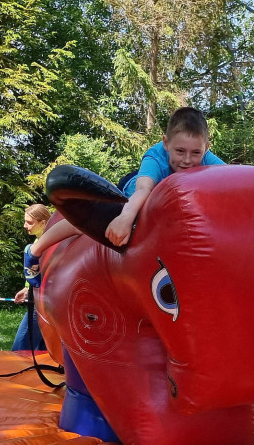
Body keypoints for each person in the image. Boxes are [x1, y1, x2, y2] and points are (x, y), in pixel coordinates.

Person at [30, 107, 224, 258]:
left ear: (206, 148)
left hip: (167, 201)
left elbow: (237, 179)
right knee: (85, 224)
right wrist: (125, 218)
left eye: (196, 153)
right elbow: (143, 189)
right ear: (166, 143)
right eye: (180, 151)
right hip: (134, 191)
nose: (187, 160)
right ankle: (35, 250)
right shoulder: (156, 157)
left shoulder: (205, 157)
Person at [12, 204, 51, 352]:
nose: (25, 226)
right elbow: (34, 272)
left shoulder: (50, 244)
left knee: (21, 347)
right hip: (40, 300)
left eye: (29, 222)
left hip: (45, 304)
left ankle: (14, 372)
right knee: (44, 349)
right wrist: (27, 288)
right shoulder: (37, 242)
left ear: (43, 222)